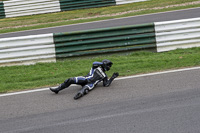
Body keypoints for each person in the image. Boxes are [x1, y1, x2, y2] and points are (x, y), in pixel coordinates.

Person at [50, 59, 119, 100]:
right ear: (105, 64)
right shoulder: (96, 67)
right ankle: (57, 89)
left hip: (90, 84)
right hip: (85, 79)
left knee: (83, 91)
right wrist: (102, 63)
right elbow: (94, 63)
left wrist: (112, 78)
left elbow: (106, 84)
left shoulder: (105, 75)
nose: (109, 67)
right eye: (108, 65)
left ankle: (79, 94)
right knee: (70, 80)